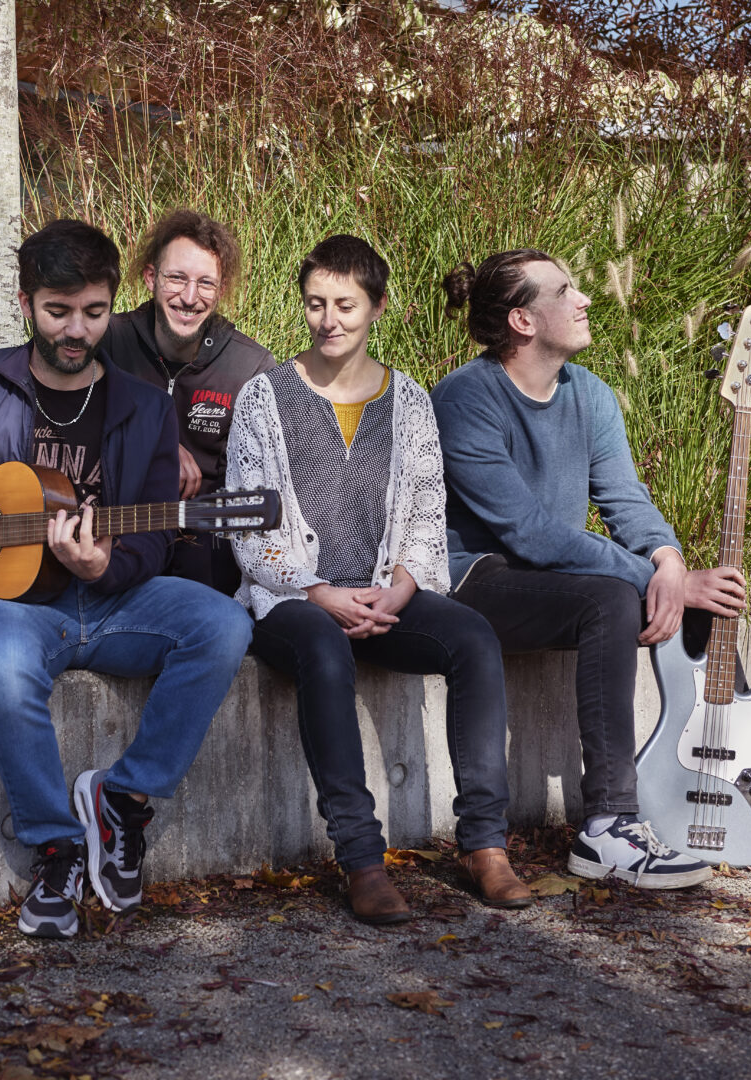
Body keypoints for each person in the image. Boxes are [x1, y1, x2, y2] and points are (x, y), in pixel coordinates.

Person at [0, 219, 253, 938]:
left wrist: (107, 562)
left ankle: (124, 801)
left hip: (113, 598)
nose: (77, 330)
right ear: (27, 302)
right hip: (15, 605)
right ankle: (54, 846)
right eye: (58, 312)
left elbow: (153, 535)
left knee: (224, 626)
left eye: (94, 312)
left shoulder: (145, 407)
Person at [431, 249, 751, 888]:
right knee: (606, 597)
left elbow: (624, 498)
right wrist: (651, 576)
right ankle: (608, 825)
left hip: (558, 580)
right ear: (522, 320)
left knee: (706, 597)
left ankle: (749, 788)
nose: (584, 299)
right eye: (566, 290)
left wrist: (669, 561)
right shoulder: (467, 398)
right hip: (478, 580)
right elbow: (528, 532)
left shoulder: (592, 394)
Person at [226, 235, 531, 925]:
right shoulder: (263, 400)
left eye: (345, 305)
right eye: (315, 304)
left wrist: (400, 586)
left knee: (473, 639)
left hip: (384, 594)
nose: (328, 320)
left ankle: (484, 844)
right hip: (295, 602)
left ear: (377, 307)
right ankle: (362, 859)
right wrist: (317, 592)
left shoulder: (411, 402)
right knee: (323, 648)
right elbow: (249, 531)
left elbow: (427, 510)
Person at [104, 209, 276, 594]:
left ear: (222, 288)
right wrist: (157, 442)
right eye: (176, 278)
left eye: (205, 283)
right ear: (151, 277)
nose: (189, 297)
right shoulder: (108, 341)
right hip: (117, 531)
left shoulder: (251, 366)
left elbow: (259, 483)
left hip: (204, 540)